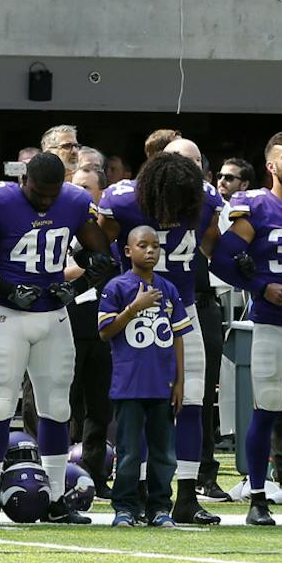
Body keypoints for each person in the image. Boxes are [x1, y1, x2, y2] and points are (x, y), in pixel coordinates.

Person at [0, 151, 110, 523]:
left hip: (53, 315)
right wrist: (3, 284)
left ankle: (57, 498)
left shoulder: (76, 201)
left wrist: (77, 284)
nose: (46, 201)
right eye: (39, 193)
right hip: (6, 315)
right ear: (23, 180)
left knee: (57, 408)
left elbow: (102, 256)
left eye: (53, 194)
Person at [213, 131, 282, 521]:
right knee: (267, 409)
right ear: (271, 165)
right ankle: (257, 497)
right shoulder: (256, 207)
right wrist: (260, 286)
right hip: (272, 325)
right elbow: (221, 259)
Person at [96, 223, 188, 528]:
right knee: (129, 452)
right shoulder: (117, 287)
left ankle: (160, 507)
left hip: (162, 385)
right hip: (129, 385)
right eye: (143, 246)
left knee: (164, 454)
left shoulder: (168, 288)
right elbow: (106, 332)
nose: (150, 251)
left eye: (155, 247)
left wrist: (180, 381)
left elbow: (177, 336)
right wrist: (134, 308)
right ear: (128, 250)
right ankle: (125, 507)